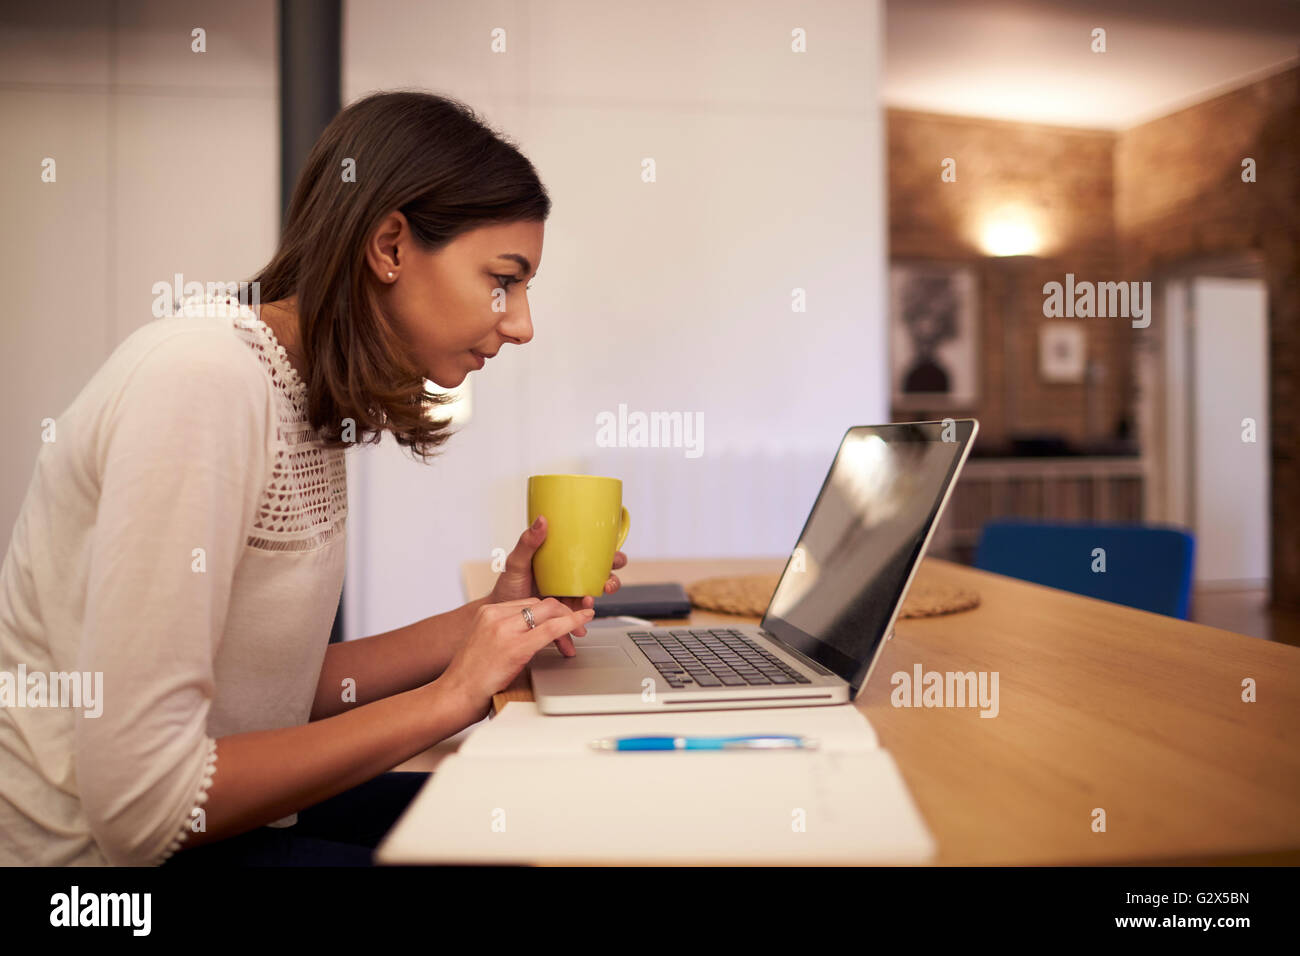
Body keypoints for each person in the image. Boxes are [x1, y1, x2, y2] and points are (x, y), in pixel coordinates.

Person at [0, 90, 625, 866]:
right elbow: (146, 806)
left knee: (548, 818)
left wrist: (491, 622)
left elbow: (263, 695)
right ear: (390, 245)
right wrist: (449, 699)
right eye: (504, 280)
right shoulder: (202, 384)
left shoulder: (301, 393)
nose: (522, 323)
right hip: (100, 877)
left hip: (207, 825)